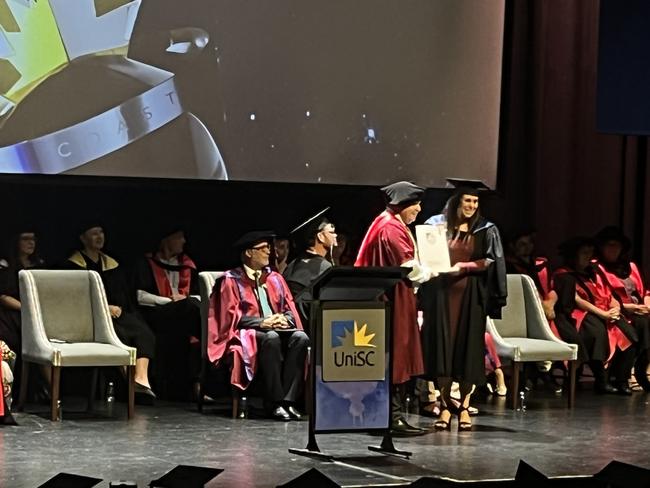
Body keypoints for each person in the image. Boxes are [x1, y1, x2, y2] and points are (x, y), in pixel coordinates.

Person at [419, 183, 507, 431]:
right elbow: (426, 254)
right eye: (467, 201)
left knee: (466, 353)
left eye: (475, 202)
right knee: (443, 353)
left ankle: (465, 406)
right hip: (441, 297)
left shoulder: (485, 229)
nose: (471, 206)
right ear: (457, 201)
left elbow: (492, 260)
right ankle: (446, 406)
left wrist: (464, 267)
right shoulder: (436, 225)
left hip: (470, 298)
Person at [355, 181, 433, 435]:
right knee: (394, 355)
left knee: (390, 356)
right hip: (392, 299)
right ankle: (390, 418)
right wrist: (435, 271)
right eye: (416, 204)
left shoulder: (385, 222)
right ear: (403, 205)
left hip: (389, 297)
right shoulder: (391, 228)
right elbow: (410, 269)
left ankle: (387, 416)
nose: (419, 210)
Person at [207, 231, 309, 421]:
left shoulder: (275, 278)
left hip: (276, 328)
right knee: (271, 337)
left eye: (268, 248)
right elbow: (230, 318)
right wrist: (262, 322)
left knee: (300, 338)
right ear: (248, 253)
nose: (269, 253)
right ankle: (275, 402)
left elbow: (290, 306)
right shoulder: (231, 280)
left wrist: (284, 319)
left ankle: (288, 401)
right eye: (263, 249)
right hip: (247, 332)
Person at [66, 224, 156, 402]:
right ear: (83, 238)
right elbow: (74, 297)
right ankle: (131, 384)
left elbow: (122, 296)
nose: (99, 237)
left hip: (115, 313)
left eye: (101, 233)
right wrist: (104, 308)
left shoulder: (112, 264)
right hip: (88, 317)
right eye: (94, 233)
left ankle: (141, 379)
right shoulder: (72, 265)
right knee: (119, 335)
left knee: (143, 331)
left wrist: (118, 307)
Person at [552, 237, 637, 395]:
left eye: (590, 252)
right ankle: (601, 380)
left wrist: (615, 309)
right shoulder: (563, 274)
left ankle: (621, 380)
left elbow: (608, 292)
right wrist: (603, 314)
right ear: (573, 255)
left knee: (629, 335)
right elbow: (577, 300)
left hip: (605, 311)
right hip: (580, 314)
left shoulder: (594, 271)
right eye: (584, 253)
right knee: (597, 334)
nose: (589, 256)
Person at [133, 227, 201, 400]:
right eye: (179, 237)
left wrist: (184, 300)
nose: (184, 242)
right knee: (192, 310)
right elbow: (141, 297)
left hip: (182, 314)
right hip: (156, 315)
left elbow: (198, 295)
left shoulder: (188, 264)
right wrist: (171, 301)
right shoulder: (147, 263)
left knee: (195, 311)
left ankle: (198, 384)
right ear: (166, 241)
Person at [594, 226, 650, 392]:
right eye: (609, 245)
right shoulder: (597, 268)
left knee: (646, 322)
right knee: (639, 328)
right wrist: (628, 308)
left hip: (638, 310)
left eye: (616, 246)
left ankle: (640, 369)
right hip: (616, 312)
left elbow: (644, 290)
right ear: (601, 247)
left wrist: (647, 304)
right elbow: (601, 297)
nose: (613, 250)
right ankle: (627, 376)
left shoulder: (630, 266)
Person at [506, 230, 562, 393]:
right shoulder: (508, 266)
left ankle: (545, 373)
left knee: (567, 332)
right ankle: (536, 375)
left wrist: (550, 303)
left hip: (545, 311)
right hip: (520, 312)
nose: (527, 248)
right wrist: (540, 308)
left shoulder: (539, 265)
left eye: (529, 244)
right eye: (522, 244)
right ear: (512, 246)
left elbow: (552, 288)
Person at [283, 208, 337, 330]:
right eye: (332, 232)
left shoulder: (291, 265)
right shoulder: (324, 267)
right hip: (313, 328)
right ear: (320, 237)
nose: (336, 236)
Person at [0, 229, 44, 354]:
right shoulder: (5, 265)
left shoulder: (39, 264)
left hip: (38, 312)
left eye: (33, 239)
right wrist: (27, 308)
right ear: (16, 241)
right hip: (13, 313)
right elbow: (3, 295)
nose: (31, 243)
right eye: (26, 239)